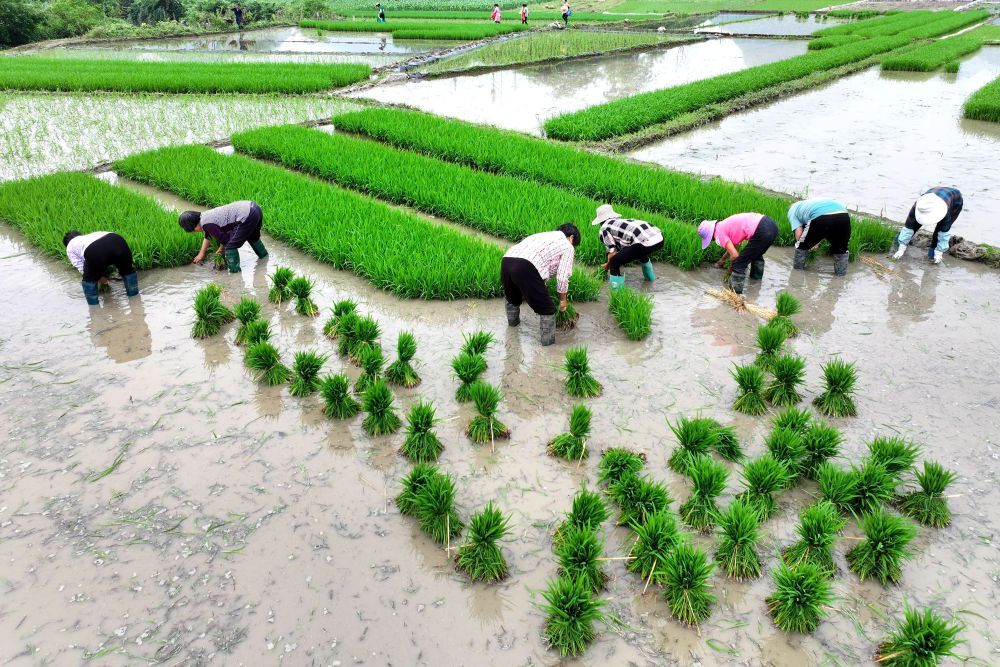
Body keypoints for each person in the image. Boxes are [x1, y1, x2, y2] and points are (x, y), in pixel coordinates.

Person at [501, 224, 580, 346]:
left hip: (507, 260)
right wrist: (563, 301)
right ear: (572, 238)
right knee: (548, 310)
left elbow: (541, 264)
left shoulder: (542, 236)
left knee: (512, 299)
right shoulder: (567, 246)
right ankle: (548, 348)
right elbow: (562, 277)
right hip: (525, 266)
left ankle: (512, 331)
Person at [698, 212, 779, 294]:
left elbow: (735, 255)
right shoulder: (723, 225)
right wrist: (722, 259)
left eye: (709, 238)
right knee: (756, 255)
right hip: (772, 225)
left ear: (710, 235)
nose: (711, 240)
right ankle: (756, 283)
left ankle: (735, 294)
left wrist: (730, 270)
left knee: (738, 264)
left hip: (761, 230)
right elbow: (733, 246)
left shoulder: (718, 234)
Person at [178, 201, 268, 274]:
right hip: (253, 208)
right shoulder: (204, 217)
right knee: (253, 237)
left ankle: (235, 274)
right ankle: (265, 259)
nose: (195, 231)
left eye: (193, 230)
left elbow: (225, 239)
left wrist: (221, 250)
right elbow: (208, 236)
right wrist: (202, 253)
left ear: (193, 226)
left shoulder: (206, 224)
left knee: (230, 246)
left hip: (246, 216)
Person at [592, 204, 663, 288]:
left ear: (600, 221)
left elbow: (612, 251)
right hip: (660, 238)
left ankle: (616, 293)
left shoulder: (604, 228)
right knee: (641, 253)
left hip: (643, 242)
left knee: (614, 262)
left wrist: (608, 266)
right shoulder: (621, 222)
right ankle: (650, 281)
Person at [63, 231, 139, 305]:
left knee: (89, 281)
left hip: (96, 249)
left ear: (67, 243)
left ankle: (94, 310)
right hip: (117, 240)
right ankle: (135, 300)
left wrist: (100, 278)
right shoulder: (90, 236)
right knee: (128, 272)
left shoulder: (70, 247)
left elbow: (81, 267)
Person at [892, 186, 962, 265]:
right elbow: (909, 226)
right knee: (914, 225)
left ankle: (932, 255)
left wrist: (939, 253)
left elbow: (943, 233)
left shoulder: (945, 211)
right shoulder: (919, 205)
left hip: (955, 201)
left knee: (938, 231)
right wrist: (901, 250)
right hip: (935, 192)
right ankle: (897, 247)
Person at [787, 197, 852, 276]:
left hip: (822, 216)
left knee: (801, 246)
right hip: (844, 215)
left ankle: (797, 272)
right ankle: (840, 277)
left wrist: (808, 246)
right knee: (841, 249)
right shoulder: (809, 203)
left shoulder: (792, 210)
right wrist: (814, 242)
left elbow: (799, 233)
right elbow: (821, 232)